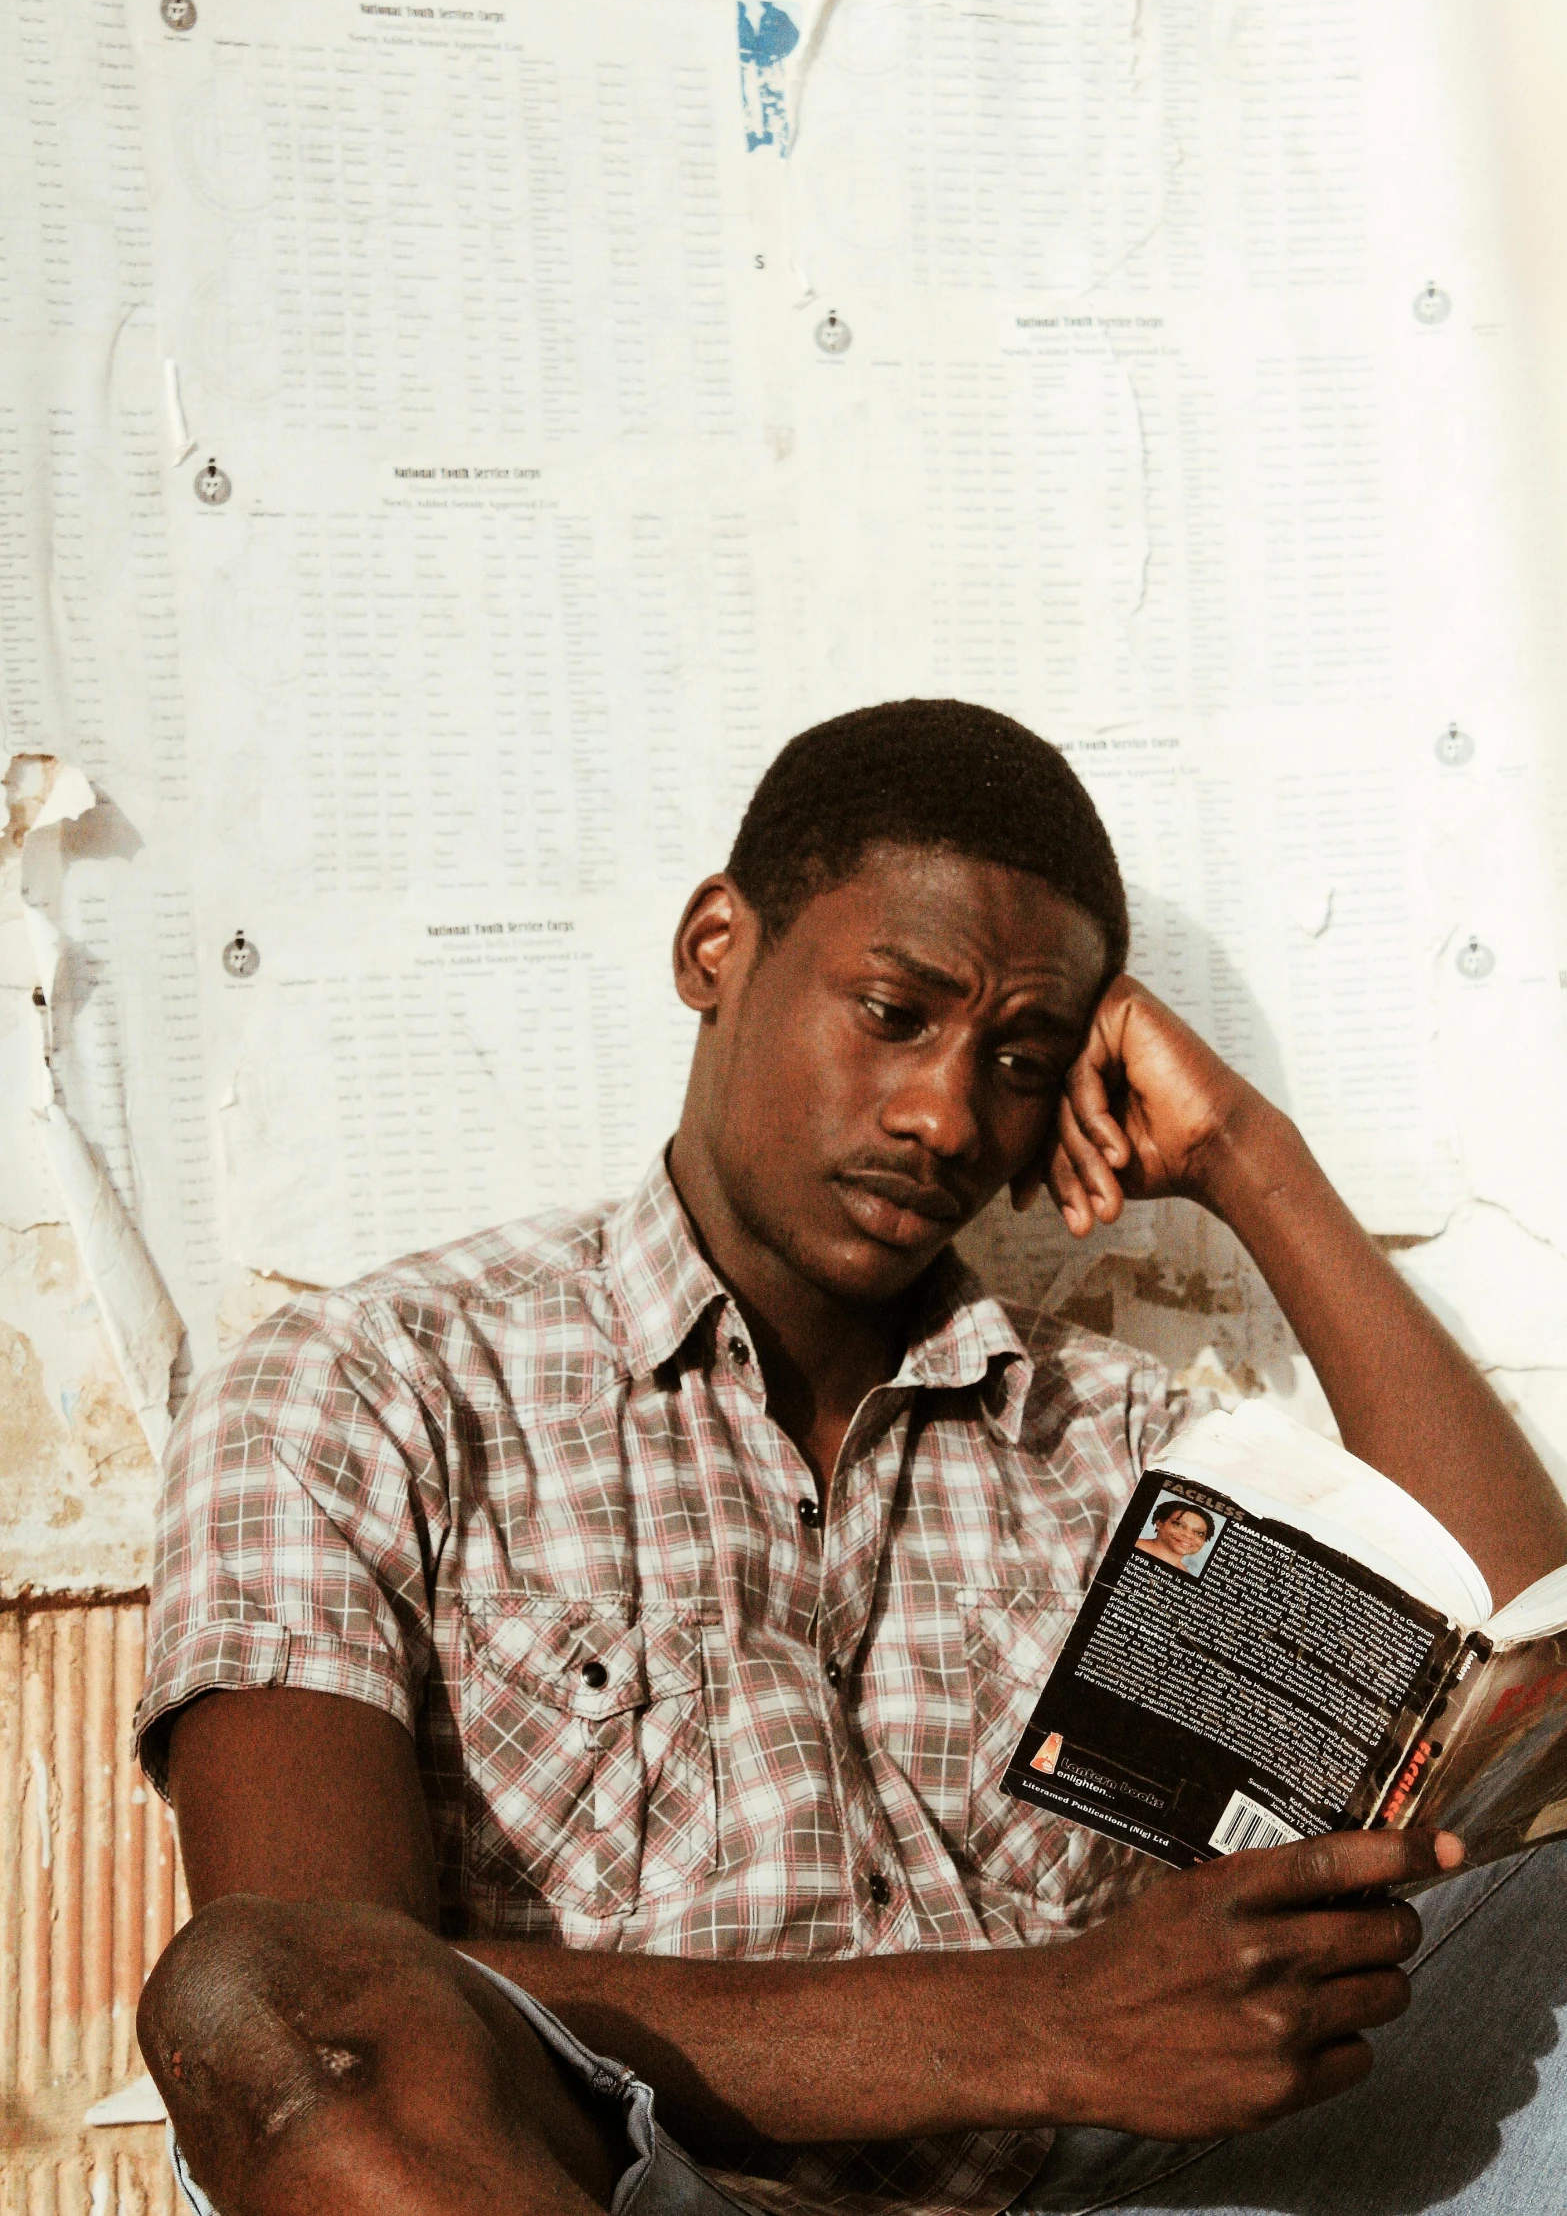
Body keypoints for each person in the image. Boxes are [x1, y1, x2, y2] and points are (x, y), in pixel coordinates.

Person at [133, 700, 1567, 2216]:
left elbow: (1520, 1647)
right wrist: (1046, 2022)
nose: (945, 1112)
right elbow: (312, 1983)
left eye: (1019, 1057)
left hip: (1095, 2197)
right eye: (893, 1011)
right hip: (622, 2191)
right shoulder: (370, 1391)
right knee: (252, 1998)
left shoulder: (1118, 1451)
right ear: (713, 949)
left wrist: (1242, 1160)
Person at [1133, 1501, 1217, 1576]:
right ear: (1159, 1523)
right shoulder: (1131, 1546)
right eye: (1179, 1525)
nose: (1188, 1535)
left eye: (1199, 1533)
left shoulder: (1185, 1575)